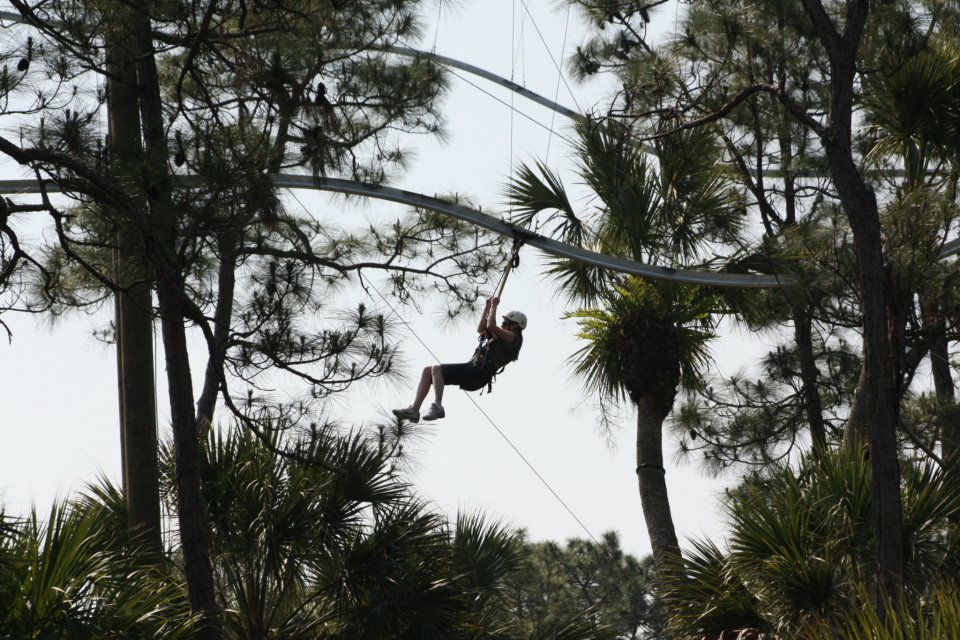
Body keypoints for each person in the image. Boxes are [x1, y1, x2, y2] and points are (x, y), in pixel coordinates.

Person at [393, 296, 527, 422]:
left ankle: (437, 406)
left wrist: (494, 306)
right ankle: (414, 410)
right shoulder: (502, 338)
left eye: (505, 323)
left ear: (514, 326)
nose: (502, 325)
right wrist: (487, 308)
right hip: (475, 370)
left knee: (436, 369)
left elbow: (491, 326)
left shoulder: (514, 339)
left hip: (479, 372)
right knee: (427, 371)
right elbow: (481, 328)